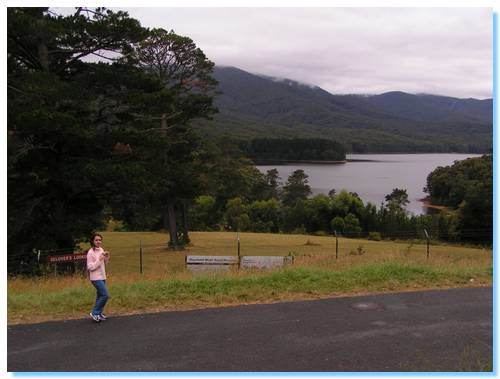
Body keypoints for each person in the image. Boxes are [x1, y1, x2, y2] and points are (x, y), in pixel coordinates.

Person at [87, 233, 110, 322]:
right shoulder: (90, 252)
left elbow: (105, 263)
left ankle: (99, 314)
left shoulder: (101, 250)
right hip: (95, 278)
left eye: (100, 240)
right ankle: (95, 313)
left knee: (100, 295)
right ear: (92, 241)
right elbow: (90, 267)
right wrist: (99, 259)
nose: (98, 241)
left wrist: (107, 257)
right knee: (105, 295)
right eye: (96, 240)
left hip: (103, 276)